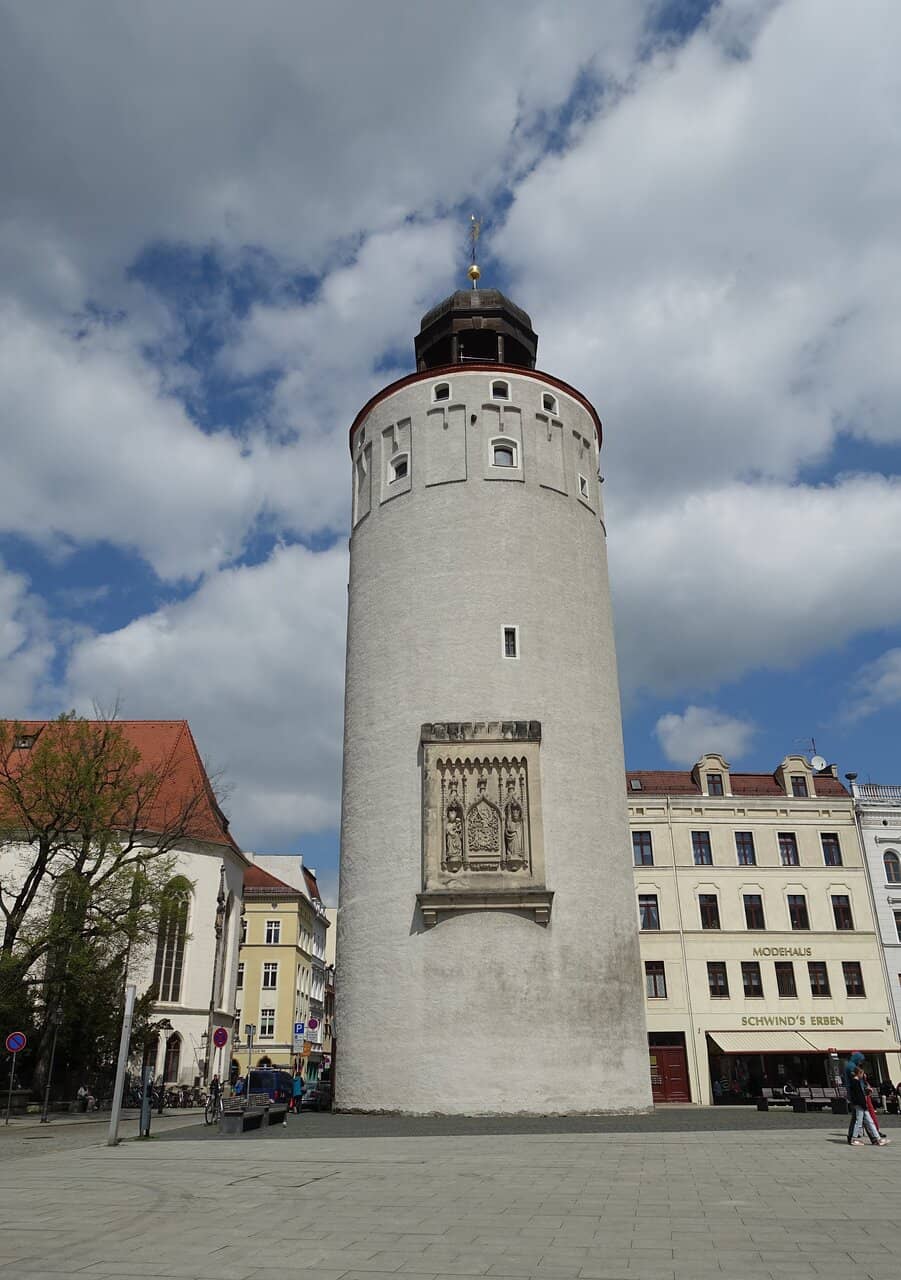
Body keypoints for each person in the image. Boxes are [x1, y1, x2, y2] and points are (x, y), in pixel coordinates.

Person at [848, 1067, 889, 1146]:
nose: (863, 1075)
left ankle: (878, 1139)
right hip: (860, 1105)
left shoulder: (857, 1082)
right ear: (859, 1073)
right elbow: (858, 1095)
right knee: (858, 1122)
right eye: (862, 1073)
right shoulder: (855, 1082)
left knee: (870, 1122)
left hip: (862, 1105)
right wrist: (863, 1104)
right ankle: (854, 1138)